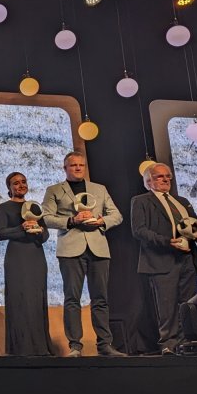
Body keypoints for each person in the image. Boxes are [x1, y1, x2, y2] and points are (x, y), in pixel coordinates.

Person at [41, 151, 125, 357]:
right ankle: (75, 346)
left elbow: (116, 215)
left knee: (101, 299)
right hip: (70, 249)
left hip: (98, 248)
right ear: (65, 168)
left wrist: (100, 221)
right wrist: (71, 221)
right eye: (73, 166)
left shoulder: (99, 189)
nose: (78, 168)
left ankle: (105, 345)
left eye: (81, 165)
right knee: (72, 299)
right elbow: (46, 217)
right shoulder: (54, 190)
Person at [132, 163, 197, 355]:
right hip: (162, 259)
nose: (166, 180)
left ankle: (186, 343)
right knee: (166, 306)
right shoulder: (141, 201)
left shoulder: (182, 201)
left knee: (188, 305)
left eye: (168, 177)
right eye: (160, 177)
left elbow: (196, 225)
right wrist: (166, 241)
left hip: (188, 259)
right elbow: (139, 230)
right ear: (148, 181)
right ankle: (168, 344)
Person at [0, 172, 53, 356]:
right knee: (20, 299)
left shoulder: (35, 207)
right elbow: (0, 233)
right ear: (9, 188)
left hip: (36, 255)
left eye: (23, 182)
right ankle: (21, 348)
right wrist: (21, 228)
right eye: (16, 183)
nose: (20, 185)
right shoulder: (4, 207)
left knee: (37, 299)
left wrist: (39, 230)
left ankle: (40, 347)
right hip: (17, 258)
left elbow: (45, 236)